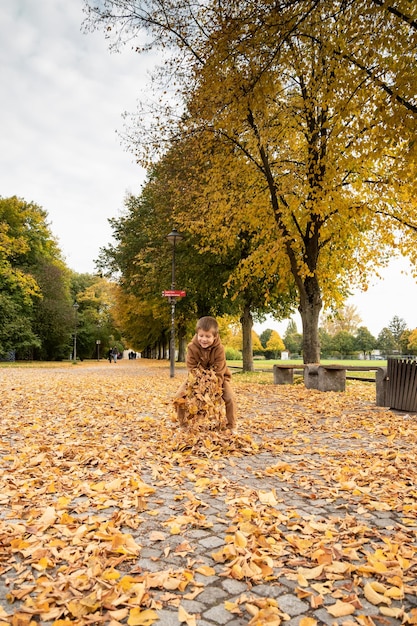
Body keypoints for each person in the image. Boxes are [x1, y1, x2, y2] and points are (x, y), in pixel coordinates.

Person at [174, 316, 237, 433]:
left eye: (208, 336)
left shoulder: (219, 349)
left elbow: (219, 370)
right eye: (201, 336)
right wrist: (199, 386)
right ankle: (183, 425)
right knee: (179, 396)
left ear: (215, 336)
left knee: (230, 398)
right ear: (197, 334)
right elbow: (192, 368)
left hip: (219, 378)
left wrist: (212, 389)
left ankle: (231, 426)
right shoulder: (192, 347)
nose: (204, 339)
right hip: (196, 378)